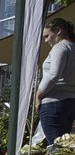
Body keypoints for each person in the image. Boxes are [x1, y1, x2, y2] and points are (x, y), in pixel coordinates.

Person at [36, 17, 75, 145]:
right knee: (65, 148)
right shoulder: (73, 47)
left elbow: (53, 74)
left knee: (56, 148)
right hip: (70, 102)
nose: (46, 41)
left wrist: (38, 94)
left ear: (58, 30)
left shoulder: (60, 47)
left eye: (47, 36)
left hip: (53, 103)